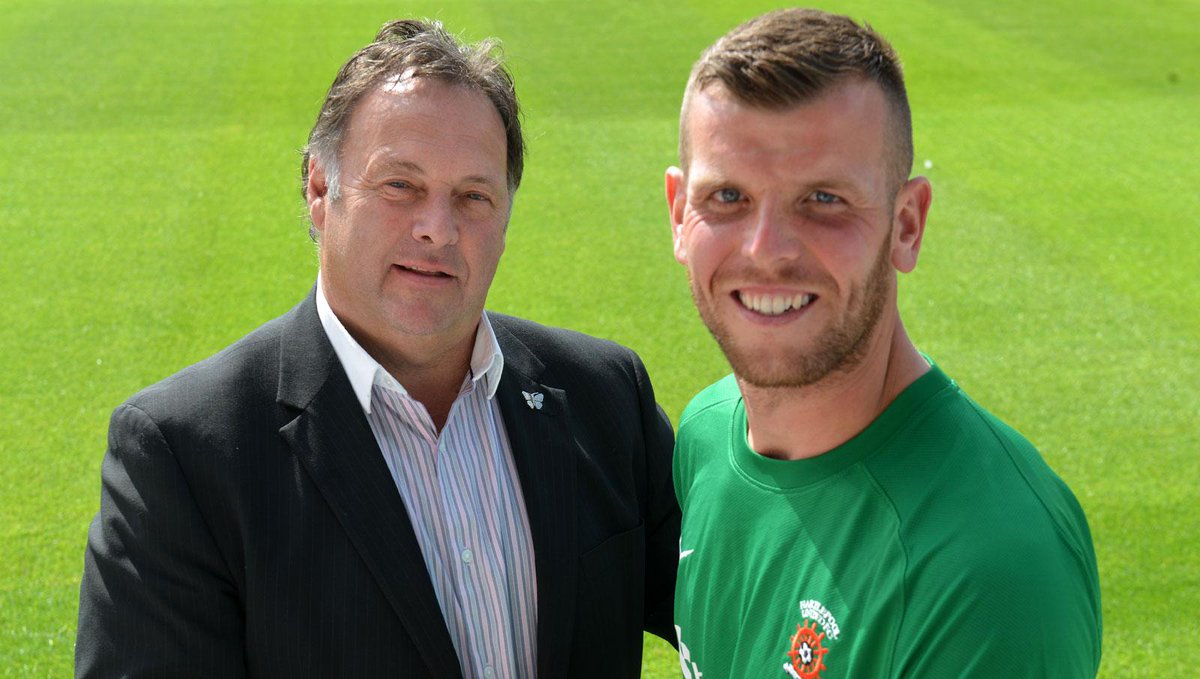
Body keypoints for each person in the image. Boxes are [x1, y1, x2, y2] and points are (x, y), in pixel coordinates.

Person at [76, 19, 679, 678]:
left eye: (473, 196)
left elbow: (751, 602)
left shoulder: (604, 396)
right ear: (318, 190)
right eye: (401, 185)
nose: (437, 229)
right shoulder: (183, 454)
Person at [665, 8, 1101, 677]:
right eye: (727, 196)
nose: (766, 250)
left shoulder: (991, 569)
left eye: (823, 199)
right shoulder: (705, 434)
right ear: (678, 214)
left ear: (907, 223)